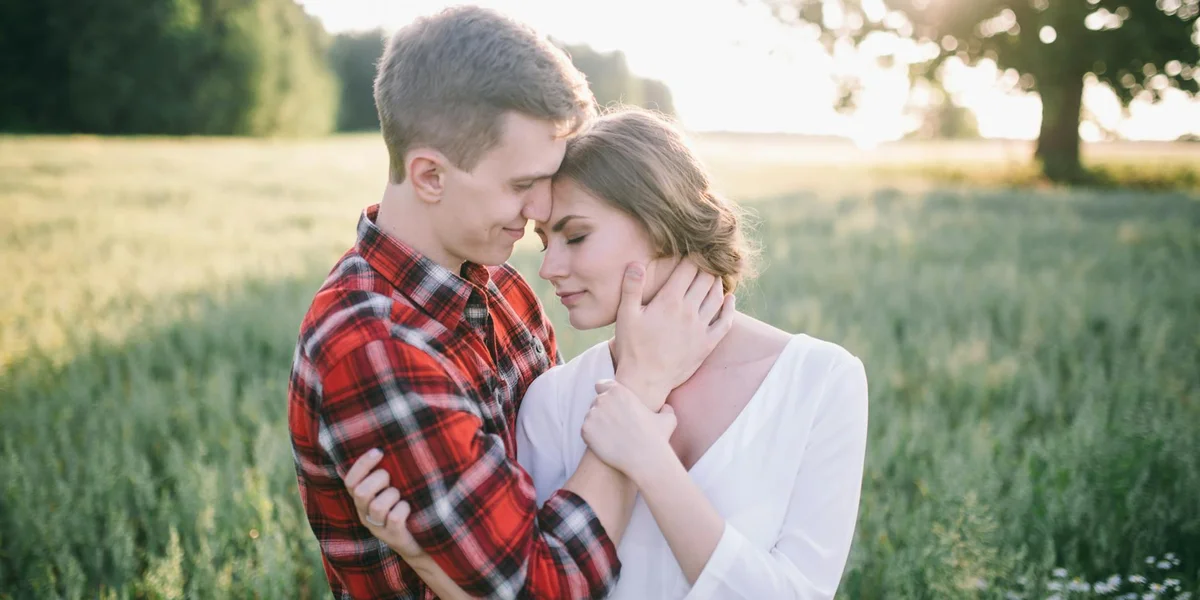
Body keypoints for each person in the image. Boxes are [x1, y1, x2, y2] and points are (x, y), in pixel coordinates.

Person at [287, 7, 734, 600]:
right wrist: (641, 388)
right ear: (428, 176)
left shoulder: (504, 291)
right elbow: (547, 588)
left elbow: (554, 479)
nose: (540, 209)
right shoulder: (374, 346)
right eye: (522, 185)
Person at [348, 108, 870, 599]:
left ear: (662, 218)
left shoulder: (822, 380)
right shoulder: (553, 398)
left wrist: (648, 459)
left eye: (576, 236)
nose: (549, 267)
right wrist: (428, 558)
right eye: (545, 241)